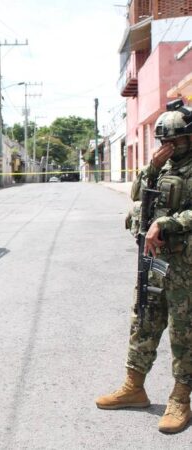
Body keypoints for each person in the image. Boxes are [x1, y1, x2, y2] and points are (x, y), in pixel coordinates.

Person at [95, 101, 192, 433]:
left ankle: (181, 397)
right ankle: (134, 386)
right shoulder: (162, 166)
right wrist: (151, 167)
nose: (170, 148)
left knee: (183, 329)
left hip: (185, 265)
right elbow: (138, 194)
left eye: (176, 141)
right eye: (165, 141)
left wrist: (167, 222)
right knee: (145, 317)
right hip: (157, 261)